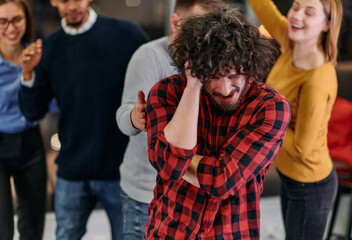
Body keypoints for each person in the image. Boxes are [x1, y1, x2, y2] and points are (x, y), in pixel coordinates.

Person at [145, 8, 291, 239]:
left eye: (234, 75)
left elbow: (221, 180)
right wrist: (193, 86)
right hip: (169, 231)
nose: (224, 89)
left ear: (250, 67)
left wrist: (175, 157)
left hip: (232, 233)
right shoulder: (168, 92)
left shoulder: (270, 106)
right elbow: (169, 169)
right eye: (212, 76)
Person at [18, 0, 148, 239]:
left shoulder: (127, 33)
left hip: (121, 170)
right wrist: (27, 74)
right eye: (65, 0)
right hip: (72, 170)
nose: (73, 5)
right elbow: (33, 112)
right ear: (54, 1)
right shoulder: (49, 47)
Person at [116, 1, 224, 239]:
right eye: (198, 27)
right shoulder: (149, 56)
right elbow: (123, 116)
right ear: (175, 23)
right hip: (145, 193)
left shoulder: (213, 59)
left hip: (191, 194)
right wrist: (135, 118)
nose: (205, 37)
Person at [247, 0, 343, 239]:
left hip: (310, 185)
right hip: (290, 177)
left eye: (309, 12)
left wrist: (265, 120)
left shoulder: (316, 81)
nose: (297, 16)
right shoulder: (292, 43)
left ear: (326, 24)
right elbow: (262, 7)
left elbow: (301, 148)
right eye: (296, 6)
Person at [0, 0, 46, 239]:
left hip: (30, 142)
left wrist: (28, 73)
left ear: (27, 20)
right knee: (1, 229)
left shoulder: (37, 56)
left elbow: (41, 108)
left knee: (32, 226)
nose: (11, 27)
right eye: (2, 21)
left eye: (17, 19)